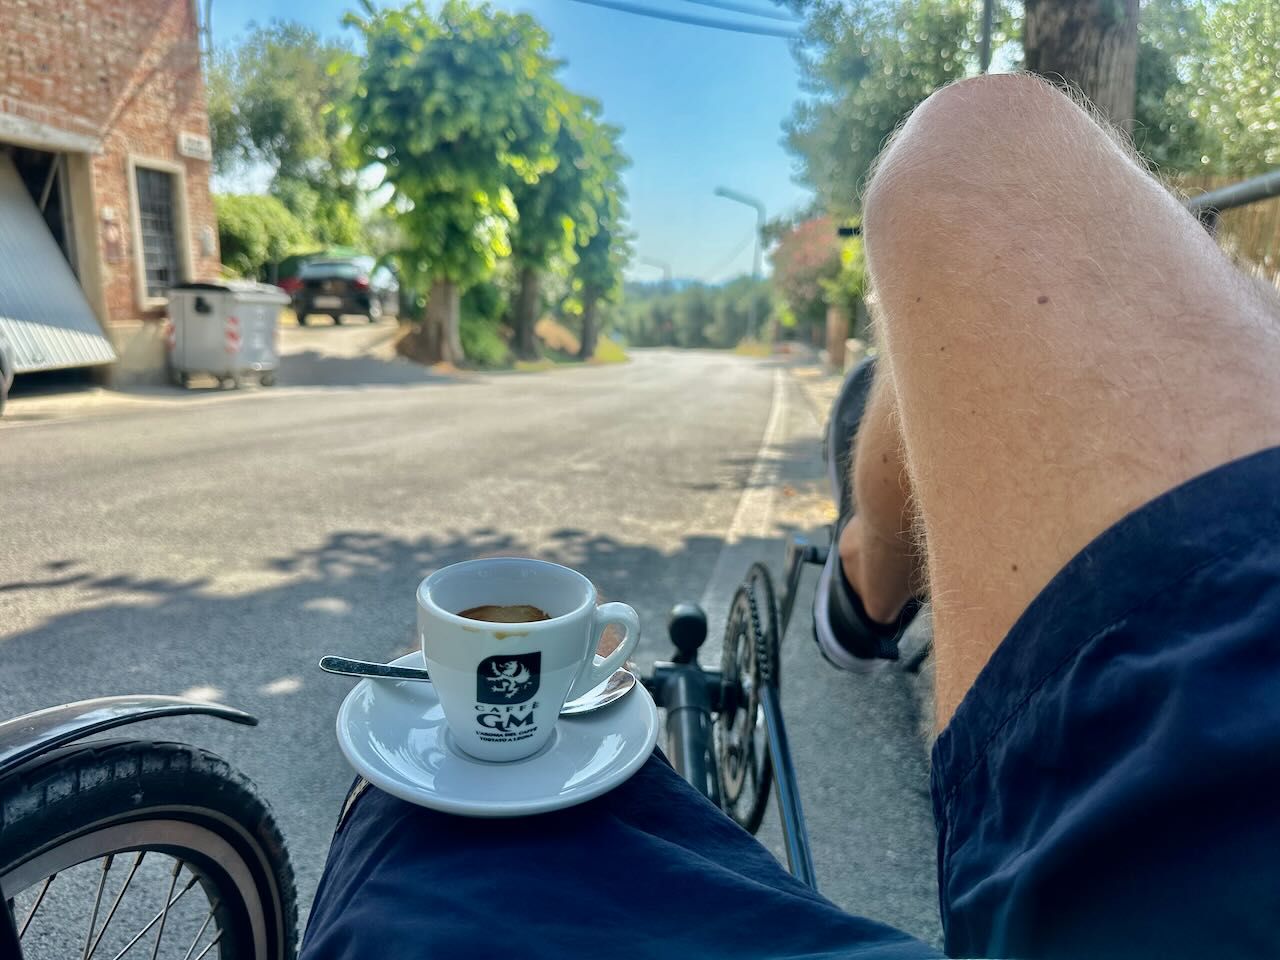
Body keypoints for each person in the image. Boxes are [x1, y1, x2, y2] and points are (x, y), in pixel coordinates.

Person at [300, 74, 1280, 959]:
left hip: (1160, 823)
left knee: (407, 842)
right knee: (983, 132)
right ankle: (866, 572)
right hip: (1240, 709)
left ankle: (864, 576)